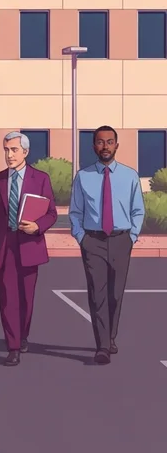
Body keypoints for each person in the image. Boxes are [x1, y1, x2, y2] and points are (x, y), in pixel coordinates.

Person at [69, 125, 144, 364]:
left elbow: (138, 210)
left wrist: (131, 237)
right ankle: (102, 346)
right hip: (93, 241)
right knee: (97, 293)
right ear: (94, 146)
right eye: (100, 142)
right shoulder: (83, 176)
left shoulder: (130, 176)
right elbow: (75, 212)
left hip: (121, 240)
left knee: (115, 294)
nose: (105, 147)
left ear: (117, 145)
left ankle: (111, 337)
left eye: (110, 142)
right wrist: (82, 237)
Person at [0, 131, 57, 366]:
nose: (9, 154)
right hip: (4, 247)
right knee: (8, 299)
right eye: (6, 150)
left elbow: (52, 213)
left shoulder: (41, 178)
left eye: (14, 150)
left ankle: (23, 334)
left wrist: (37, 226)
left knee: (26, 299)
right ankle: (12, 346)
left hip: (29, 245)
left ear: (25, 152)